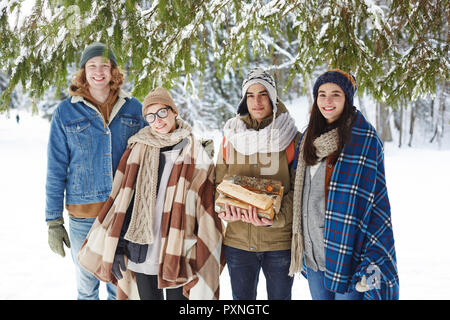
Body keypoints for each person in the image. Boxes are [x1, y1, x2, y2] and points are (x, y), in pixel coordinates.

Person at [77, 87, 224, 300]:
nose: (158, 120)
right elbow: (122, 202)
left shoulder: (197, 155)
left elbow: (207, 210)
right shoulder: (137, 148)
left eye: (162, 112)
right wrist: (118, 246)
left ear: (174, 111)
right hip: (141, 252)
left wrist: (202, 254)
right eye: (151, 116)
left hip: (178, 251)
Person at [45, 42, 146, 300]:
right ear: (83, 71)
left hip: (122, 213)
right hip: (83, 219)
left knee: (119, 286)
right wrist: (53, 221)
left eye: (105, 66)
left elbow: (159, 137)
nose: (98, 72)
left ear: (113, 70)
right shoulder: (66, 112)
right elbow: (56, 169)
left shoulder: (133, 108)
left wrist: (189, 142)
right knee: (86, 288)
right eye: (92, 66)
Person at [289, 69, 399, 300]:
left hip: (347, 255)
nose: (327, 101)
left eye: (335, 94)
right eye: (322, 94)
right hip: (313, 254)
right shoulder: (308, 137)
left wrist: (371, 262)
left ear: (347, 99)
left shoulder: (364, 139)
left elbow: (375, 208)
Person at [215, 67, 300, 300]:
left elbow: (299, 192)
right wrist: (224, 210)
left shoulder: (291, 138)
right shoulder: (231, 137)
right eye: (250, 95)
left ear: (272, 97)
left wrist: (275, 217)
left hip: (278, 243)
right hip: (239, 243)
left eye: (263, 94)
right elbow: (217, 185)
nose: (257, 101)